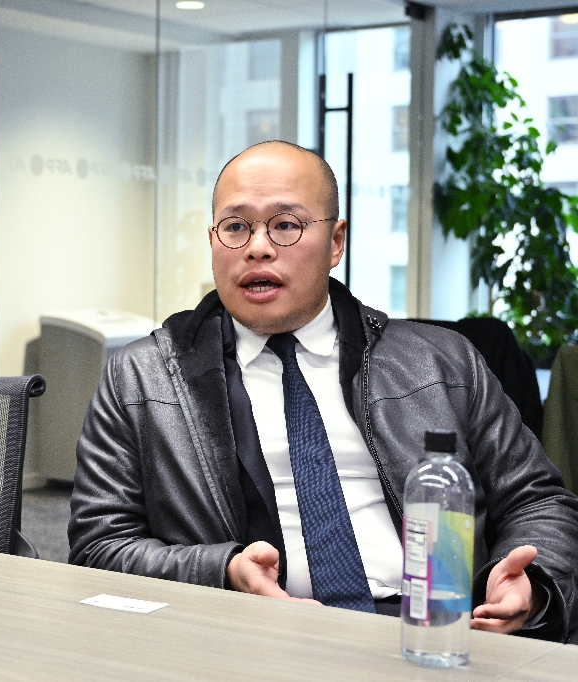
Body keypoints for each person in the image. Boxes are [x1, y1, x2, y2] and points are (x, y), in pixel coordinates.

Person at [68, 140, 578, 642]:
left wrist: (532, 585)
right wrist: (221, 570)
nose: (258, 247)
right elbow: (99, 546)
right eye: (236, 227)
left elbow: (538, 501)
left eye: (286, 225)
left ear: (336, 242)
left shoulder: (442, 361)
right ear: (213, 240)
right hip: (249, 640)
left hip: (433, 633)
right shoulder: (141, 377)